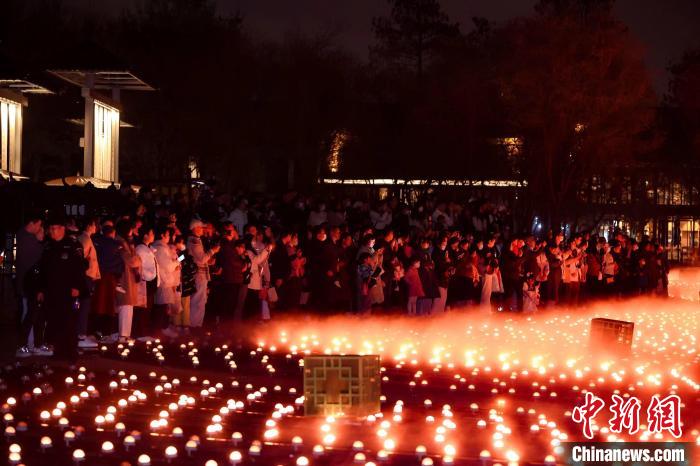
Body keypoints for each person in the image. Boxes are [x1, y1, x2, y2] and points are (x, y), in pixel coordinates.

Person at [37, 213, 87, 361]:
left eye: (55, 228)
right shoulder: (48, 246)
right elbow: (43, 270)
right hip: (52, 291)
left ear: (63, 228)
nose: (52, 231)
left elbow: (79, 268)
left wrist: (77, 286)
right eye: (50, 228)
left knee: (69, 322)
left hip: (68, 291)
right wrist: (40, 289)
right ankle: (58, 351)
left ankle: (71, 352)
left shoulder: (72, 245)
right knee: (54, 321)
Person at [15, 213, 46, 357]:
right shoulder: (27, 239)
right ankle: (26, 345)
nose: (40, 229)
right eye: (39, 225)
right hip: (28, 284)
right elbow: (39, 257)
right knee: (29, 315)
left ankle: (31, 344)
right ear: (32, 224)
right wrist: (40, 241)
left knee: (32, 314)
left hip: (27, 284)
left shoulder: (22, 235)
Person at [187, 219, 220, 329]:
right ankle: (194, 325)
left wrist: (208, 261)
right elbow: (201, 259)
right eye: (201, 227)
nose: (203, 229)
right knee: (198, 301)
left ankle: (195, 324)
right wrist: (212, 251)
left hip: (200, 273)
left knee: (200, 300)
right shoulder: (194, 241)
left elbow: (198, 258)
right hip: (199, 275)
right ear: (195, 228)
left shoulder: (196, 240)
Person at [115, 220, 142, 341]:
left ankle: (125, 334)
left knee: (128, 306)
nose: (132, 232)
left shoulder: (125, 242)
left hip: (128, 278)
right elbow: (132, 260)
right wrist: (138, 258)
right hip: (124, 278)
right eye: (131, 229)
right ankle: (123, 335)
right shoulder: (120, 242)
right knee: (125, 306)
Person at [152, 226, 180, 337]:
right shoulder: (161, 248)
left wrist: (179, 260)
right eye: (168, 235)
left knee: (164, 305)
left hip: (166, 280)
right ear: (162, 235)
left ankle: (164, 326)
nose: (170, 237)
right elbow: (168, 265)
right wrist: (177, 262)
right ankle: (162, 328)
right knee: (162, 305)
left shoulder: (164, 247)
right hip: (164, 280)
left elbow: (176, 260)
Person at [77, 218, 100, 349]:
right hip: (86, 277)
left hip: (87, 276)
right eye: (94, 224)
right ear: (89, 225)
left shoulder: (87, 238)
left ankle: (81, 334)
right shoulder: (85, 239)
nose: (96, 227)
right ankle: (81, 335)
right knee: (84, 306)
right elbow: (82, 258)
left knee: (85, 305)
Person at [134, 226, 158, 340]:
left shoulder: (149, 248)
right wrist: (148, 276)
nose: (153, 235)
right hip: (145, 283)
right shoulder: (140, 249)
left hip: (151, 282)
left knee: (148, 308)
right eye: (151, 233)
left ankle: (143, 332)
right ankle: (140, 333)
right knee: (143, 308)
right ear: (145, 235)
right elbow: (140, 267)